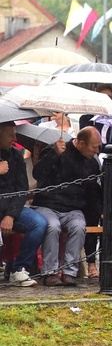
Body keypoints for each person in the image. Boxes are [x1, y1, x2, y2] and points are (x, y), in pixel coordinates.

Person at [32, 127, 102, 286]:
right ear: (82, 143)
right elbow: (38, 173)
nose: (97, 151)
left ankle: (70, 272)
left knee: (79, 226)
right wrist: (53, 154)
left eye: (99, 147)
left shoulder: (92, 163)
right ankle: (50, 272)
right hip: (47, 204)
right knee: (53, 226)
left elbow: (93, 192)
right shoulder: (56, 149)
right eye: (94, 147)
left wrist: (101, 211)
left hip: (73, 208)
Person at [0, 122, 47, 287]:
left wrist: (10, 215)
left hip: (10, 207)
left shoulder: (16, 155)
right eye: (10, 135)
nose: (14, 138)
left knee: (39, 223)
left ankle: (19, 268)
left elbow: (21, 189)